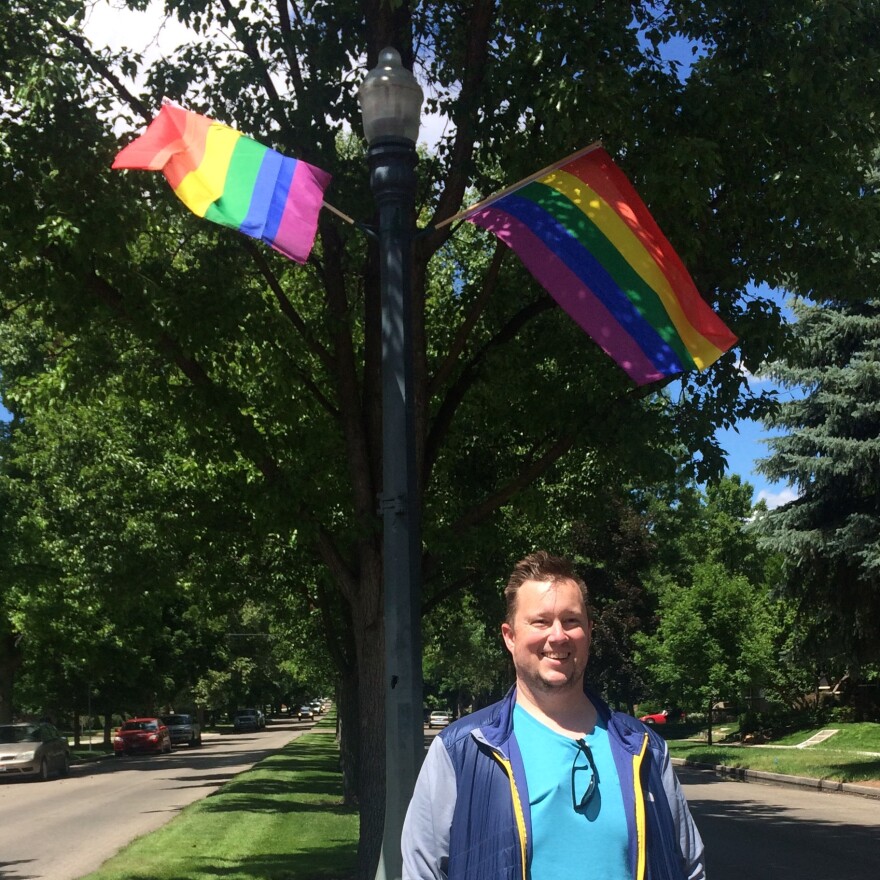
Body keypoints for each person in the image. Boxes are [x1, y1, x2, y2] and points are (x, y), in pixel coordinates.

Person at [401, 551, 705, 880]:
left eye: (571, 621)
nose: (558, 635)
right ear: (510, 636)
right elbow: (422, 871)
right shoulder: (461, 750)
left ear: (588, 631)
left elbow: (690, 867)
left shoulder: (646, 749)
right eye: (541, 621)